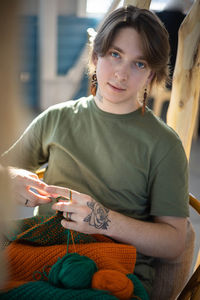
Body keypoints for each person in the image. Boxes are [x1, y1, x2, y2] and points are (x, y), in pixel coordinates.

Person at [1, 5, 189, 297]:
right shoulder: (57, 118)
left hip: (114, 277)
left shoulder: (164, 145)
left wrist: (102, 218)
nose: (121, 74)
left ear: (152, 74)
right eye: (115, 55)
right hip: (41, 260)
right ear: (95, 55)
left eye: (139, 64)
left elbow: (176, 242)